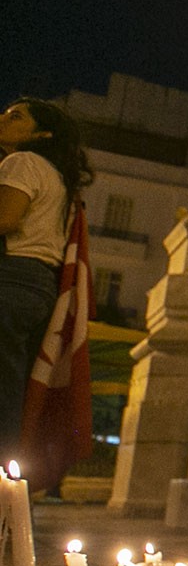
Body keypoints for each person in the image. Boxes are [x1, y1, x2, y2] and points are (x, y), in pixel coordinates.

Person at [0, 99, 90, 468]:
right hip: (38, 286)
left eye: (15, 116)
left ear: (42, 133)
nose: (3, 118)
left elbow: (4, 220)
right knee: (9, 391)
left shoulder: (20, 163)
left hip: (10, 277)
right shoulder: (57, 177)